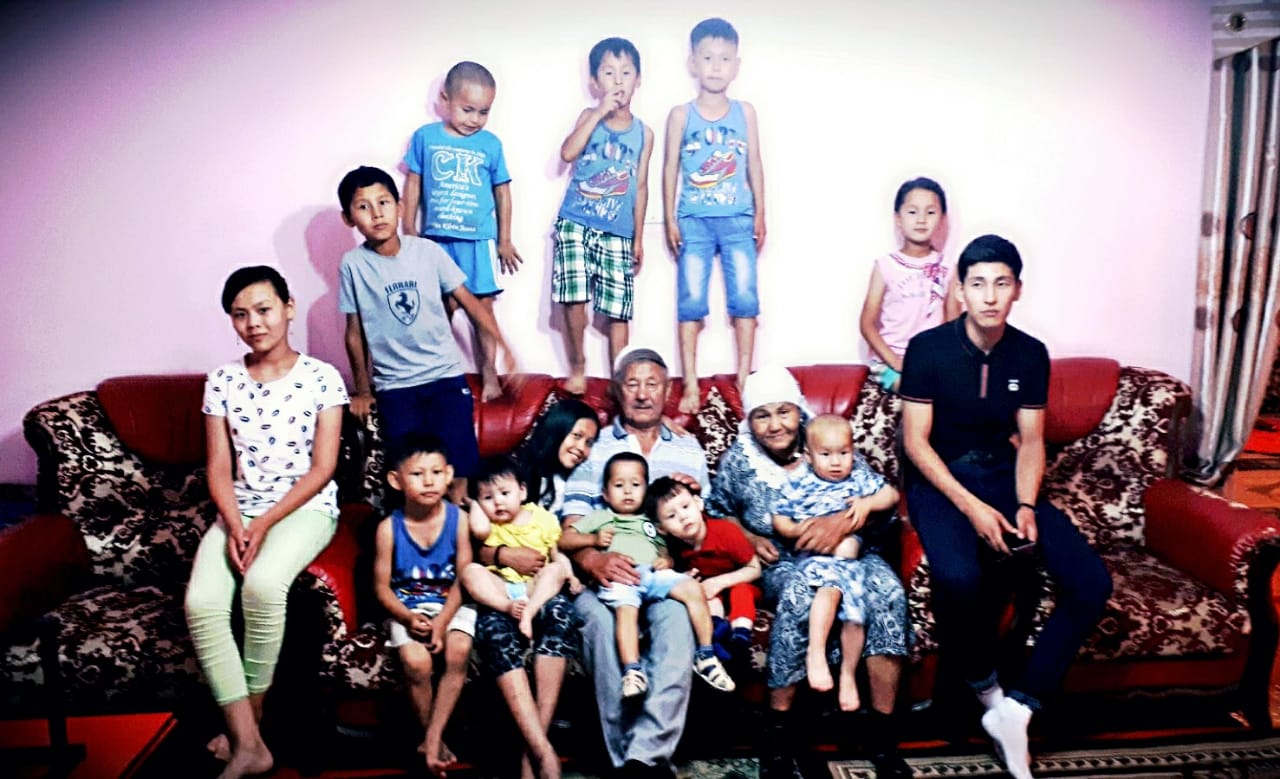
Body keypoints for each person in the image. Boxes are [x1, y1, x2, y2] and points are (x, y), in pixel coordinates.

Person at [901, 234, 1113, 779]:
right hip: (941, 479)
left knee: (1091, 582)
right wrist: (972, 507)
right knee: (959, 577)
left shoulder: (1030, 353)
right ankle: (988, 692)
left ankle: (1017, 709)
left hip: (1002, 471)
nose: (990, 296)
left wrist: (1024, 503)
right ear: (960, 290)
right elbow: (915, 443)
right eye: (978, 284)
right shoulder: (927, 349)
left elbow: (1033, 441)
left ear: (1018, 289)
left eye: (1001, 283)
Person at [705, 367, 911, 779]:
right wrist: (748, 536)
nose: (774, 425)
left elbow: (881, 497)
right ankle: (778, 738)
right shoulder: (739, 462)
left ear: (798, 410)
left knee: (887, 591)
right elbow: (716, 512)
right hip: (784, 561)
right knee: (803, 593)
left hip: (853, 554)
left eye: (783, 411)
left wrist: (843, 523)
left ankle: (881, 738)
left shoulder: (826, 444)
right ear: (749, 420)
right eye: (762, 415)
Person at [186, 266, 348, 779]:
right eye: (240, 314)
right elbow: (218, 467)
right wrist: (237, 524)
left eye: (263, 309)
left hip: (305, 508)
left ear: (288, 307)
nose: (253, 323)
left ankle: (246, 732)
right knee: (201, 603)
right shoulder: (222, 380)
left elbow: (323, 469)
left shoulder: (323, 378)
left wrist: (263, 524)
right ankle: (250, 743)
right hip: (240, 509)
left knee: (262, 585)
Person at [561, 346, 709, 778]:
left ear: (667, 391)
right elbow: (571, 524)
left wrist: (688, 508)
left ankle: (645, 757)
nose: (643, 394)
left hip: (660, 573)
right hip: (602, 577)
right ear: (616, 391)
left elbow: (705, 528)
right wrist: (592, 558)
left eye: (652, 384)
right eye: (632, 384)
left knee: (678, 620)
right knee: (599, 623)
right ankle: (623, 758)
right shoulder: (595, 446)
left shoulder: (689, 449)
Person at [337, 164, 516, 503]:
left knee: (458, 471)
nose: (376, 213)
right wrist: (362, 389)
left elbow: (469, 302)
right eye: (363, 206)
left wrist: (506, 347)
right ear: (349, 218)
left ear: (399, 206)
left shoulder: (427, 252)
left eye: (384, 202)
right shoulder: (353, 265)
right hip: (396, 387)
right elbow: (354, 332)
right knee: (413, 476)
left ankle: (458, 529)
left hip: (444, 378)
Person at [470, 399, 598, 779]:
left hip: (546, 581)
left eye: (590, 442)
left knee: (560, 613)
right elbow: (474, 546)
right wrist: (505, 554)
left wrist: (568, 570)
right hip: (502, 579)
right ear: (556, 430)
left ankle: (534, 752)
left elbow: (561, 549)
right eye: (576, 436)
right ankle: (543, 751)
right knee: (494, 627)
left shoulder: (585, 480)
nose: (582, 448)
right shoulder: (509, 478)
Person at [561, 452, 735, 698]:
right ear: (605, 494)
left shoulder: (652, 522)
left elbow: (663, 549)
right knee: (626, 610)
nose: (628, 491)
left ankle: (706, 655)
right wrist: (592, 539)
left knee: (691, 587)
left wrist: (667, 560)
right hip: (622, 576)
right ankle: (632, 671)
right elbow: (564, 540)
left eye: (636, 485)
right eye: (619, 485)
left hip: (652, 575)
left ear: (646, 489)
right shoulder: (601, 518)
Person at [662, 17, 766, 412]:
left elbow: (755, 164)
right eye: (707, 58)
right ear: (693, 63)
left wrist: (761, 213)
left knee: (745, 298)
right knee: (690, 300)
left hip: (739, 217)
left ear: (736, 65)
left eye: (724, 59)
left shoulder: (745, 112)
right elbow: (669, 168)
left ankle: (745, 375)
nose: (716, 67)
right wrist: (670, 218)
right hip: (694, 220)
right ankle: (690, 381)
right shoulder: (680, 115)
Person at [402, 61, 520, 402]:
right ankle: (436, 374)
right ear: (445, 99)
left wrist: (505, 239)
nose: (475, 119)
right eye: (468, 109)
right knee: (440, 309)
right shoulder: (425, 138)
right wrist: (408, 228)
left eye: (484, 112)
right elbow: (413, 183)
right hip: (437, 241)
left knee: (482, 309)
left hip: (478, 241)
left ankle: (489, 374)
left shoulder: (490, 144)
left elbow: (503, 191)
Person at [771, 413, 901, 713]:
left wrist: (868, 503)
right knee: (830, 590)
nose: (836, 462)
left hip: (851, 565)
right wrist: (795, 531)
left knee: (856, 614)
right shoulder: (800, 481)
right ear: (808, 456)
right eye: (826, 455)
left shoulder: (858, 476)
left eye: (843, 453)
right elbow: (779, 515)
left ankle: (847, 676)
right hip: (814, 559)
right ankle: (815, 653)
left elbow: (891, 495)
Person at [372, 434, 482, 778]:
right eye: (418, 474)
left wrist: (444, 621)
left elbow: (464, 577)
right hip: (407, 605)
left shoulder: (458, 519)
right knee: (416, 662)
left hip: (452, 602)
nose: (429, 481)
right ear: (396, 481)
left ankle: (432, 739)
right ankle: (432, 737)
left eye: (436, 472)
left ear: (449, 474)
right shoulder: (388, 529)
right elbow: (381, 588)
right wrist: (407, 617)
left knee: (458, 649)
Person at [554, 37, 655, 394]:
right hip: (576, 221)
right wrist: (598, 112)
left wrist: (638, 237)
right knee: (574, 294)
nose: (618, 81)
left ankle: (619, 378)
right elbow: (567, 153)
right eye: (609, 73)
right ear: (595, 82)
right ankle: (578, 365)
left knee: (618, 309)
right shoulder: (589, 117)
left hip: (618, 230)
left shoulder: (644, 133)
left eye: (626, 73)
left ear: (638, 79)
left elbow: (640, 186)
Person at [858, 177, 960, 392]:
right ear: (898, 218)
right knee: (914, 389)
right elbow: (867, 324)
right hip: (888, 362)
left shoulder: (949, 268)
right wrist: (896, 362)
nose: (921, 219)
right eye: (913, 212)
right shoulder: (886, 266)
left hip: (931, 362)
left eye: (930, 212)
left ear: (942, 219)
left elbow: (954, 324)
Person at [461, 456, 579, 640]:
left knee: (556, 569)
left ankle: (529, 611)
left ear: (522, 491)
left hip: (534, 586)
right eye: (488, 497)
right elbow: (479, 530)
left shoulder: (543, 518)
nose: (498, 502)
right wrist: (474, 505)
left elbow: (556, 552)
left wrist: (570, 575)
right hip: (501, 587)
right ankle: (506, 607)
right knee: (470, 571)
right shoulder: (488, 524)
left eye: (505, 493)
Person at [648, 476, 761, 661]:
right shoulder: (674, 546)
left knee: (740, 591)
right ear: (661, 528)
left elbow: (755, 568)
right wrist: (686, 577)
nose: (683, 517)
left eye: (686, 507)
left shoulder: (725, 531)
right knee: (704, 596)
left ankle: (740, 637)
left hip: (740, 582)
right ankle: (715, 634)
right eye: (671, 516)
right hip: (709, 592)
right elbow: (679, 573)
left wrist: (719, 582)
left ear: (698, 503)